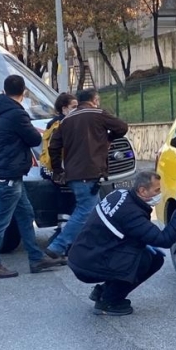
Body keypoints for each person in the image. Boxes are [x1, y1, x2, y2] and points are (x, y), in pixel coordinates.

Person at [67, 171, 176, 315]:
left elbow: (122, 231)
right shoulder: (132, 214)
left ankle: (102, 292)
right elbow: (165, 240)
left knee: (145, 254)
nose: (159, 193)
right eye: (157, 190)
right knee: (150, 261)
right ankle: (109, 301)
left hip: (84, 255)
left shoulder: (121, 194)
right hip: (89, 264)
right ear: (142, 190)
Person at [0, 75, 65, 279]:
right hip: (8, 175)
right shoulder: (16, 113)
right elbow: (34, 138)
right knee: (1, 220)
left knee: (26, 215)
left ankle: (36, 258)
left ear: (3, 91)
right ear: (24, 92)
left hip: (6, 173)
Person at [45, 88, 129, 260]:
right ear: (94, 99)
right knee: (84, 211)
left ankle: (98, 246)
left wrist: (58, 170)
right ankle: (57, 246)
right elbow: (122, 127)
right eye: (97, 99)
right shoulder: (98, 113)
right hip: (89, 172)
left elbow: (53, 146)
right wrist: (108, 138)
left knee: (97, 212)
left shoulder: (67, 120)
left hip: (73, 173)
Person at [39, 92, 77, 182]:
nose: (77, 110)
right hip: (59, 169)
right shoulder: (61, 124)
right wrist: (59, 171)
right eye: (74, 107)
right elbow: (54, 148)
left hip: (51, 167)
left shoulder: (54, 123)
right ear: (64, 108)